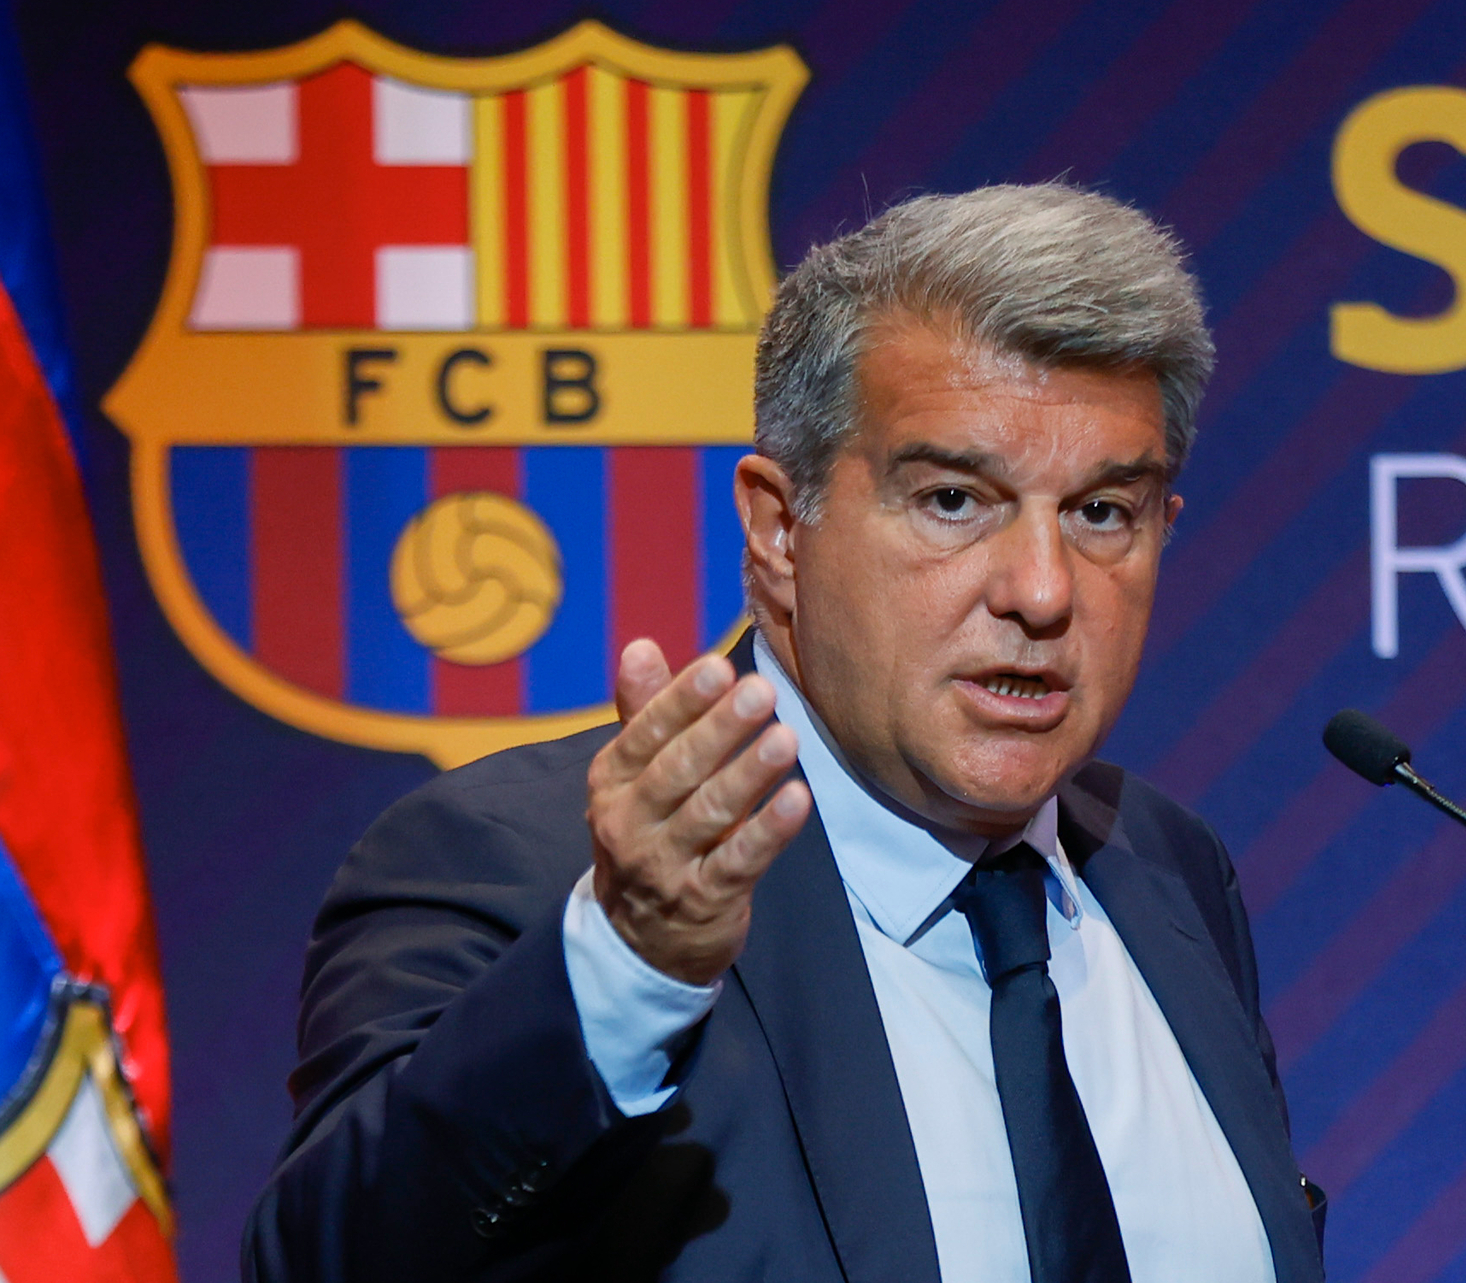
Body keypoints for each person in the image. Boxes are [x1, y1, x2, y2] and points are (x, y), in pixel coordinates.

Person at [244, 183, 1326, 1283]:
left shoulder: (1166, 866)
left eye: (1102, 512)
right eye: (954, 500)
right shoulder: (529, 871)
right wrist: (629, 969)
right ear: (777, 527)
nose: (1044, 591)